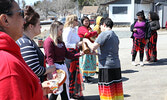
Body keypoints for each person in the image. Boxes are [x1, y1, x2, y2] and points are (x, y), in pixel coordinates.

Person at [0, 0, 52, 99]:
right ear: (5, 20)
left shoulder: (10, 53)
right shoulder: (9, 66)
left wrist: (37, 90)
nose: (24, 21)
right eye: (20, 14)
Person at [83, 18, 124, 100]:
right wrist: (96, 53)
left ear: (104, 25)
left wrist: (86, 41)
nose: (100, 29)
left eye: (100, 26)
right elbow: (109, 51)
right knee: (115, 91)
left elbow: (93, 47)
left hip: (106, 66)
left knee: (107, 91)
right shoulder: (114, 35)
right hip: (115, 65)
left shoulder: (104, 34)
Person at [44, 21, 84, 100]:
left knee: (65, 90)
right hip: (55, 68)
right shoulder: (49, 41)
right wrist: (54, 72)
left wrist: (79, 54)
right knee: (55, 91)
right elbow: (49, 58)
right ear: (55, 30)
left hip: (63, 67)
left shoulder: (60, 41)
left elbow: (67, 54)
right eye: (60, 29)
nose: (62, 32)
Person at [16, 6, 56, 83]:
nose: (41, 27)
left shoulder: (28, 41)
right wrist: (50, 69)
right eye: (39, 24)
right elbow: (34, 70)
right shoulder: (25, 43)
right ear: (31, 26)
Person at [62, 15, 84, 100]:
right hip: (70, 54)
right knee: (71, 73)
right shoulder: (68, 30)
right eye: (76, 20)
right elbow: (66, 43)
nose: (77, 21)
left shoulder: (74, 30)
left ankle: (74, 92)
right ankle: (70, 93)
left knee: (75, 74)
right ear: (72, 21)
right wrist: (76, 44)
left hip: (75, 52)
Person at [78, 16, 97, 83]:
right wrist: (95, 32)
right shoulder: (81, 28)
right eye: (85, 21)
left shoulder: (89, 28)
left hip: (90, 47)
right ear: (82, 22)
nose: (87, 22)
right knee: (85, 62)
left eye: (87, 21)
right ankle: (85, 78)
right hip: (84, 47)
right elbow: (88, 34)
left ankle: (88, 76)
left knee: (90, 62)